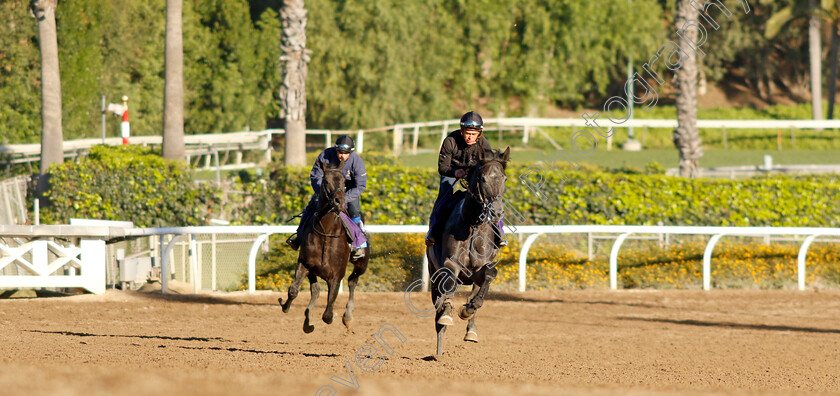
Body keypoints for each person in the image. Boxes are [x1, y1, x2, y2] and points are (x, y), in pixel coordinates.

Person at [425, 111, 507, 247]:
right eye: (468, 133)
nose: (470, 137)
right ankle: (433, 231)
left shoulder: (483, 143)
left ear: (479, 134)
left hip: (472, 173)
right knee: (443, 198)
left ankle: (499, 232)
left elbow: (488, 165)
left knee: (493, 197)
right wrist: (456, 172)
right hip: (451, 172)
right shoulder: (450, 141)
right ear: (462, 131)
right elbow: (442, 168)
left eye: (473, 134)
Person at [286, 135, 368, 259]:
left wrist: (344, 198)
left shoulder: (357, 161)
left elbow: (360, 186)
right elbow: (315, 176)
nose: (342, 156)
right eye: (340, 152)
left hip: (348, 191)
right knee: (310, 207)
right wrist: (322, 193)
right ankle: (299, 237)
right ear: (335, 150)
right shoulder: (324, 155)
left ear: (351, 152)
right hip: (327, 190)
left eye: (346, 153)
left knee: (354, 210)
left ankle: (359, 245)